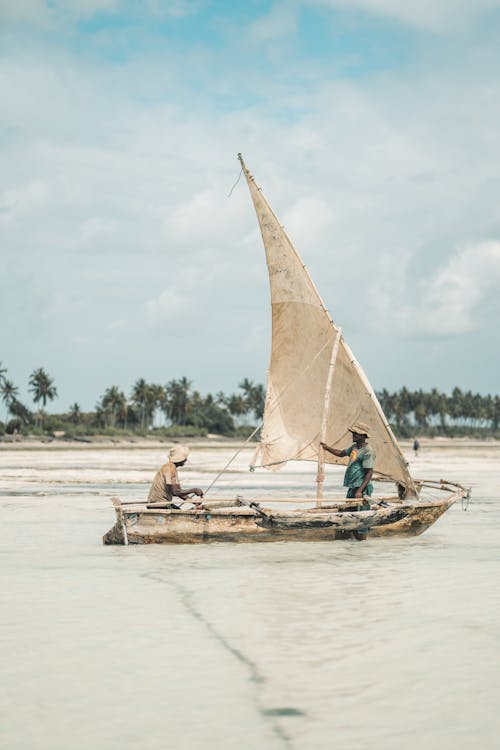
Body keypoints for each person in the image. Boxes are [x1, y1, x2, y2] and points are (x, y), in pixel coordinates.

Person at [320, 421, 376, 510]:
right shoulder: (354, 447)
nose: (353, 435)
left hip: (362, 488)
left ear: (362, 436)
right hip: (353, 486)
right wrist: (327, 448)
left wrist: (360, 491)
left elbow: (369, 473)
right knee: (349, 510)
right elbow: (341, 453)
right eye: (353, 433)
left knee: (361, 513)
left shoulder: (368, 451)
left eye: (356, 434)